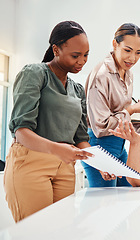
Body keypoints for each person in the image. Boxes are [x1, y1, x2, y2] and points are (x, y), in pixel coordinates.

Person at [4, 21, 92, 222]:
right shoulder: (35, 74)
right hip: (31, 162)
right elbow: (21, 131)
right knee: (36, 231)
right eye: (75, 55)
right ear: (56, 50)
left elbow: (80, 138)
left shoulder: (77, 89)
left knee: (62, 230)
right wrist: (58, 149)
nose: (82, 61)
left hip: (65, 166)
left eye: (86, 55)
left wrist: (100, 164)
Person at [83, 23, 140, 187]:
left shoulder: (128, 73)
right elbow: (102, 126)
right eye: (127, 50)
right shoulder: (101, 75)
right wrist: (132, 109)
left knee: (131, 195)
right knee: (104, 204)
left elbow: (118, 117)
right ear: (115, 44)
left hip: (119, 145)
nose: (132, 58)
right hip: (100, 145)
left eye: (138, 53)